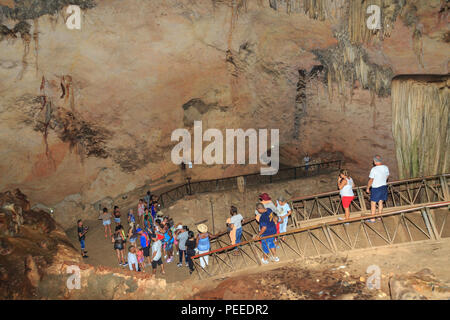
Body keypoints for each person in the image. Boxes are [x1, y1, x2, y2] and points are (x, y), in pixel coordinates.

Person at [366, 155, 389, 222]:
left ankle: (372, 219)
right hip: (384, 187)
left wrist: (368, 187)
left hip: (376, 188)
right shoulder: (385, 167)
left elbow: (371, 180)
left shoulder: (374, 169)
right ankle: (379, 217)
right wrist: (382, 180)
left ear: (375, 162)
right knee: (380, 202)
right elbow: (387, 176)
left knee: (373, 203)